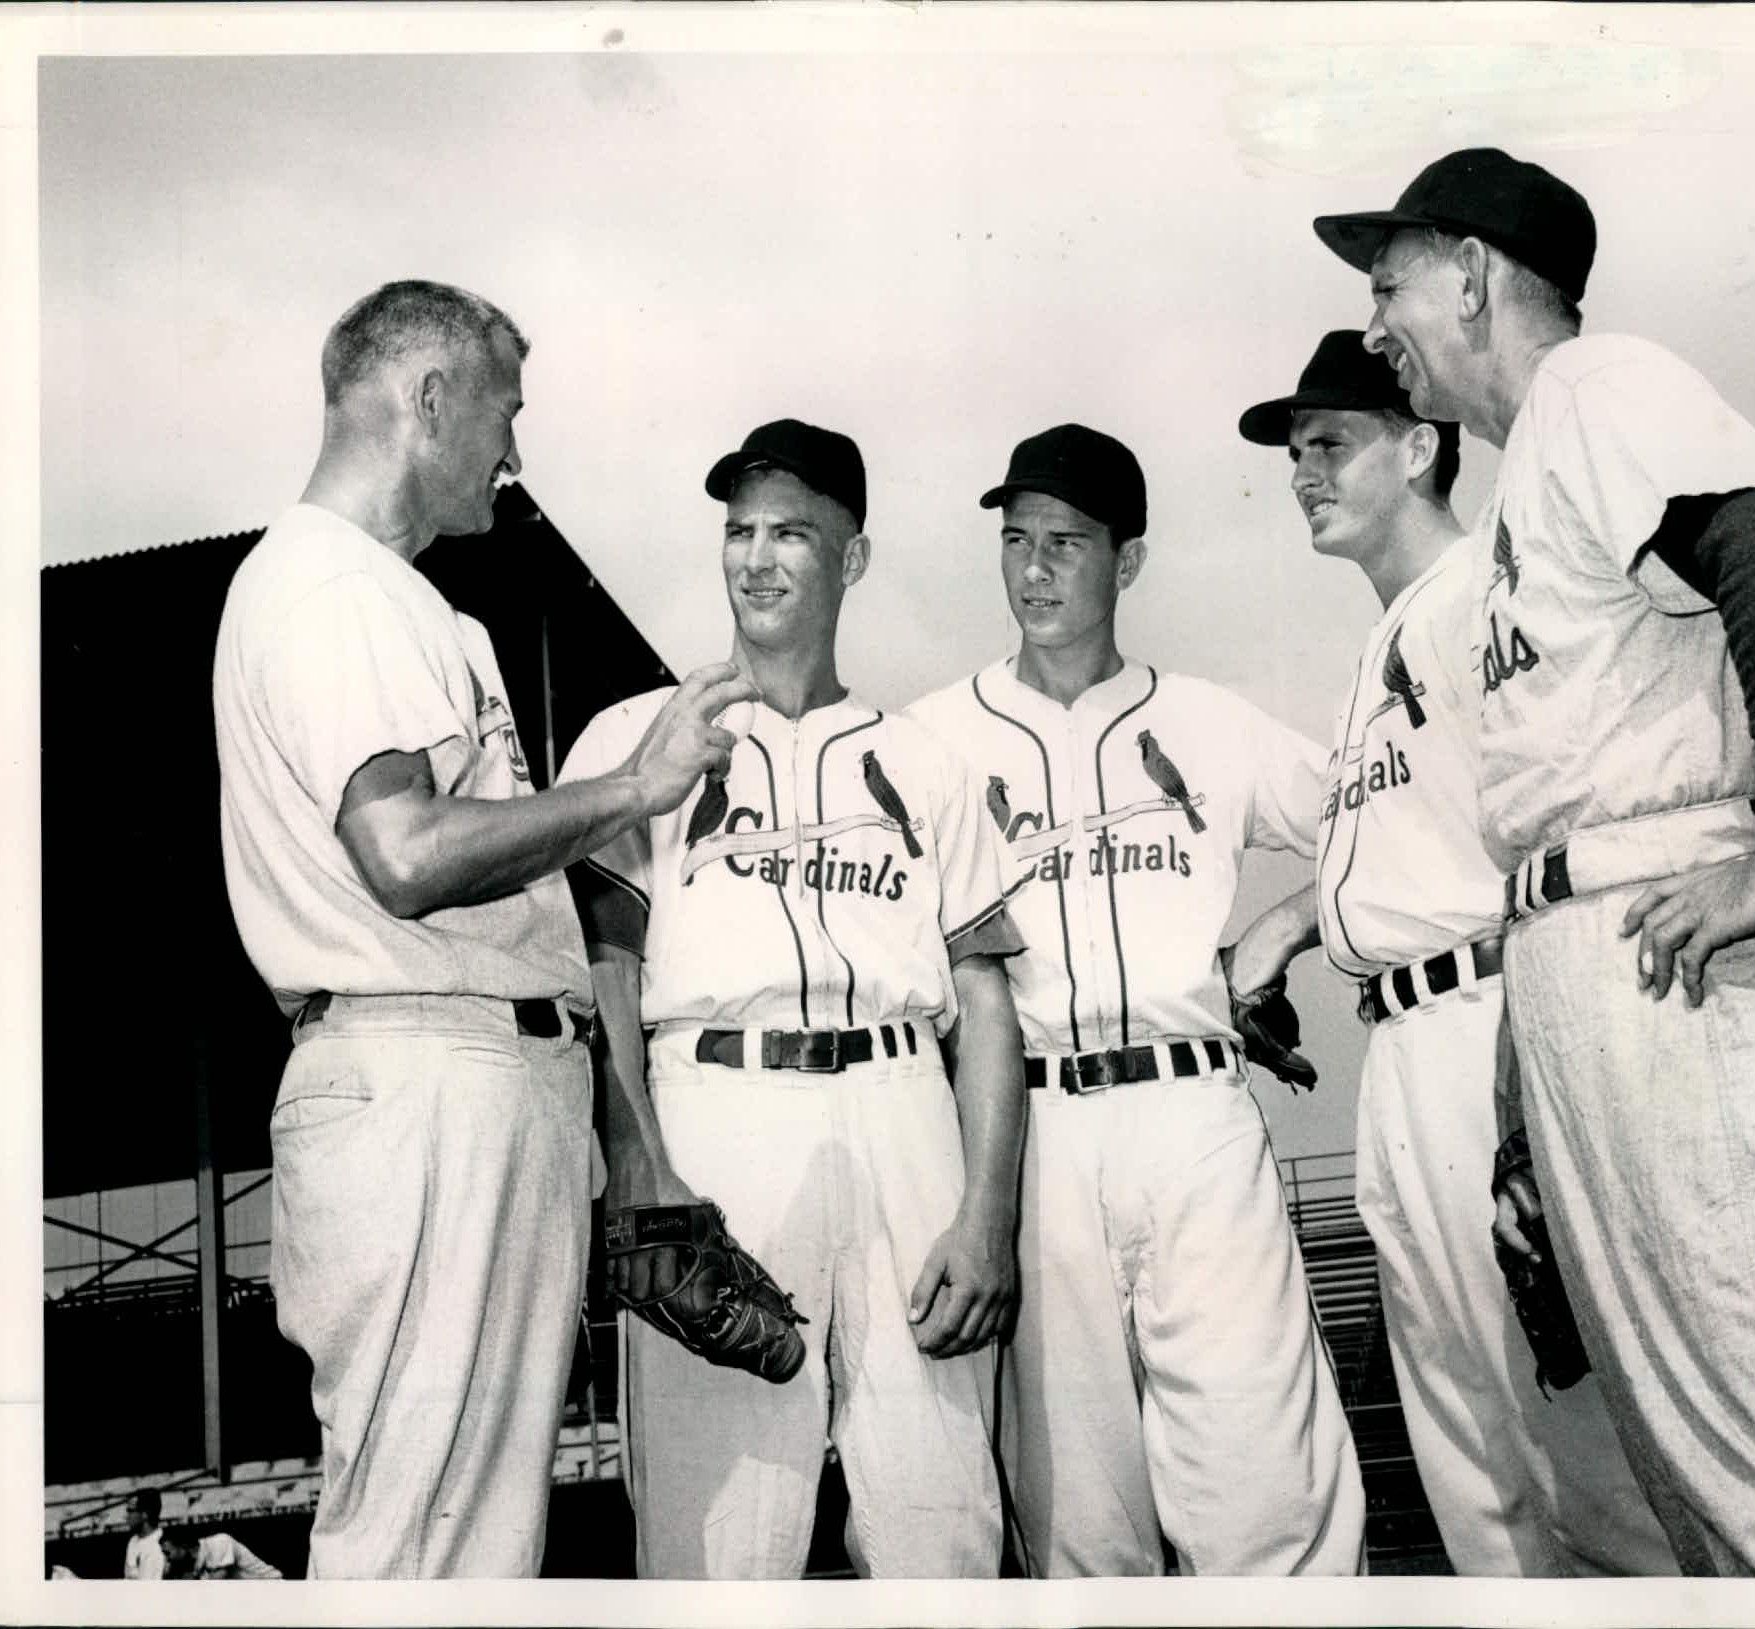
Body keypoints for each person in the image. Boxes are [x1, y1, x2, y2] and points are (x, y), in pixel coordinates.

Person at [1313, 146, 1755, 1576]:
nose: (1375, 322)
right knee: (1712, 1501)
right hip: (1598, 970)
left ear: (1473, 274)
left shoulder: (1603, 390)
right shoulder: (1540, 465)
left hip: (1695, 951)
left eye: (1391, 282)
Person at [213, 280, 754, 1578]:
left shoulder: (414, 608)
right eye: (505, 413)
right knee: (417, 1545)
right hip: (418, 1077)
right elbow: (402, 854)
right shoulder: (329, 589)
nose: (514, 455)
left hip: (479, 1076)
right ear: (433, 397)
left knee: (473, 1545)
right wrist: (632, 788)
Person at [1230, 332, 1675, 1576]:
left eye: (1330, 444)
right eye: (1292, 453)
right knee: (1470, 1466)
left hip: (1496, 1031)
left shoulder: (1491, 590)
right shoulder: (1378, 647)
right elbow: (1407, 849)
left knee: (1578, 1455)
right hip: (1402, 1052)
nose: (1301, 473)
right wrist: (1282, 924)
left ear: (1419, 446)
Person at [557, 419, 1028, 1579]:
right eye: (739, 531)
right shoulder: (641, 737)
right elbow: (604, 967)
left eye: (791, 535)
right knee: (717, 1548)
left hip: (898, 1108)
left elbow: (985, 1003)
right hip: (721, 1116)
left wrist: (986, 1215)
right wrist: (640, 1172)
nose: (755, 559)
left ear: (851, 559)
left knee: (942, 1528)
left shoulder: (923, 762)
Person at [906, 424, 1366, 1577]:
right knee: (1076, 1522)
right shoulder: (930, 739)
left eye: (1064, 542)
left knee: (1264, 1492)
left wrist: (1283, 923)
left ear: (1130, 560)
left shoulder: (1208, 722)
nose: (1032, 570)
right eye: (1014, 541)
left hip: (1192, 1116)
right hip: (1035, 1131)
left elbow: (1385, 822)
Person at [160, 1531, 285, 1580]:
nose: (167, 1559)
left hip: (273, 1589)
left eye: (167, 1553)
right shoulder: (196, 1567)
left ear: (183, 1546)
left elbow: (217, 1585)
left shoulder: (219, 1542)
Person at [121, 1488, 164, 1580]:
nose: (125, 1516)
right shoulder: (133, 1541)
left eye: (130, 1511)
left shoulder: (157, 1549)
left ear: (145, 1514)